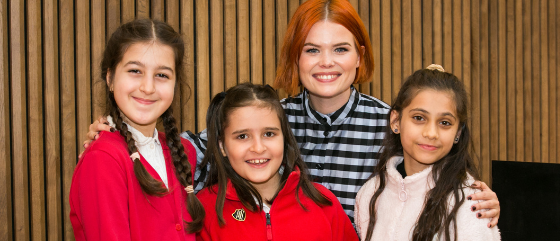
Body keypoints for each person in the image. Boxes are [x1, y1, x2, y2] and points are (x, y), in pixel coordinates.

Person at [83, 0, 501, 227]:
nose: (326, 63)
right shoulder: (270, 121)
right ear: (294, 58)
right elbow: (189, 148)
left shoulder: (389, 123)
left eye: (340, 49)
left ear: (360, 57)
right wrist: (123, 137)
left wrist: (479, 200)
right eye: (311, 50)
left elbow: (438, 174)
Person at [70, 19, 290, 241]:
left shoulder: (180, 153)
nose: (147, 87)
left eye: (162, 75)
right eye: (134, 71)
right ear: (110, 77)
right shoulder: (103, 160)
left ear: (175, 83)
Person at [334, 65, 501, 241]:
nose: (431, 133)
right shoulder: (371, 193)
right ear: (396, 121)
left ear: (459, 132)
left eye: (445, 123)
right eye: (419, 118)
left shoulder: (469, 203)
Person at [197, 83, 360, 241]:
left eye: (269, 134)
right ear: (222, 146)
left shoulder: (323, 203)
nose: (258, 147)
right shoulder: (204, 210)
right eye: (242, 136)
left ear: (285, 137)